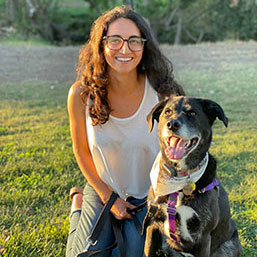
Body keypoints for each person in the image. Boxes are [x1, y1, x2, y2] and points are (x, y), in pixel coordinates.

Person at [66, 5, 184, 257]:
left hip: (150, 196)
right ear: (101, 45)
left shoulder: (164, 95)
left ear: (144, 46)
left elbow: (179, 155)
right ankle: (79, 204)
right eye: (115, 40)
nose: (124, 49)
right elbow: (81, 150)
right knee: (85, 254)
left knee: (134, 253)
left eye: (133, 41)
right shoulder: (80, 94)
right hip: (103, 188)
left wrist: (163, 202)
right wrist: (109, 199)